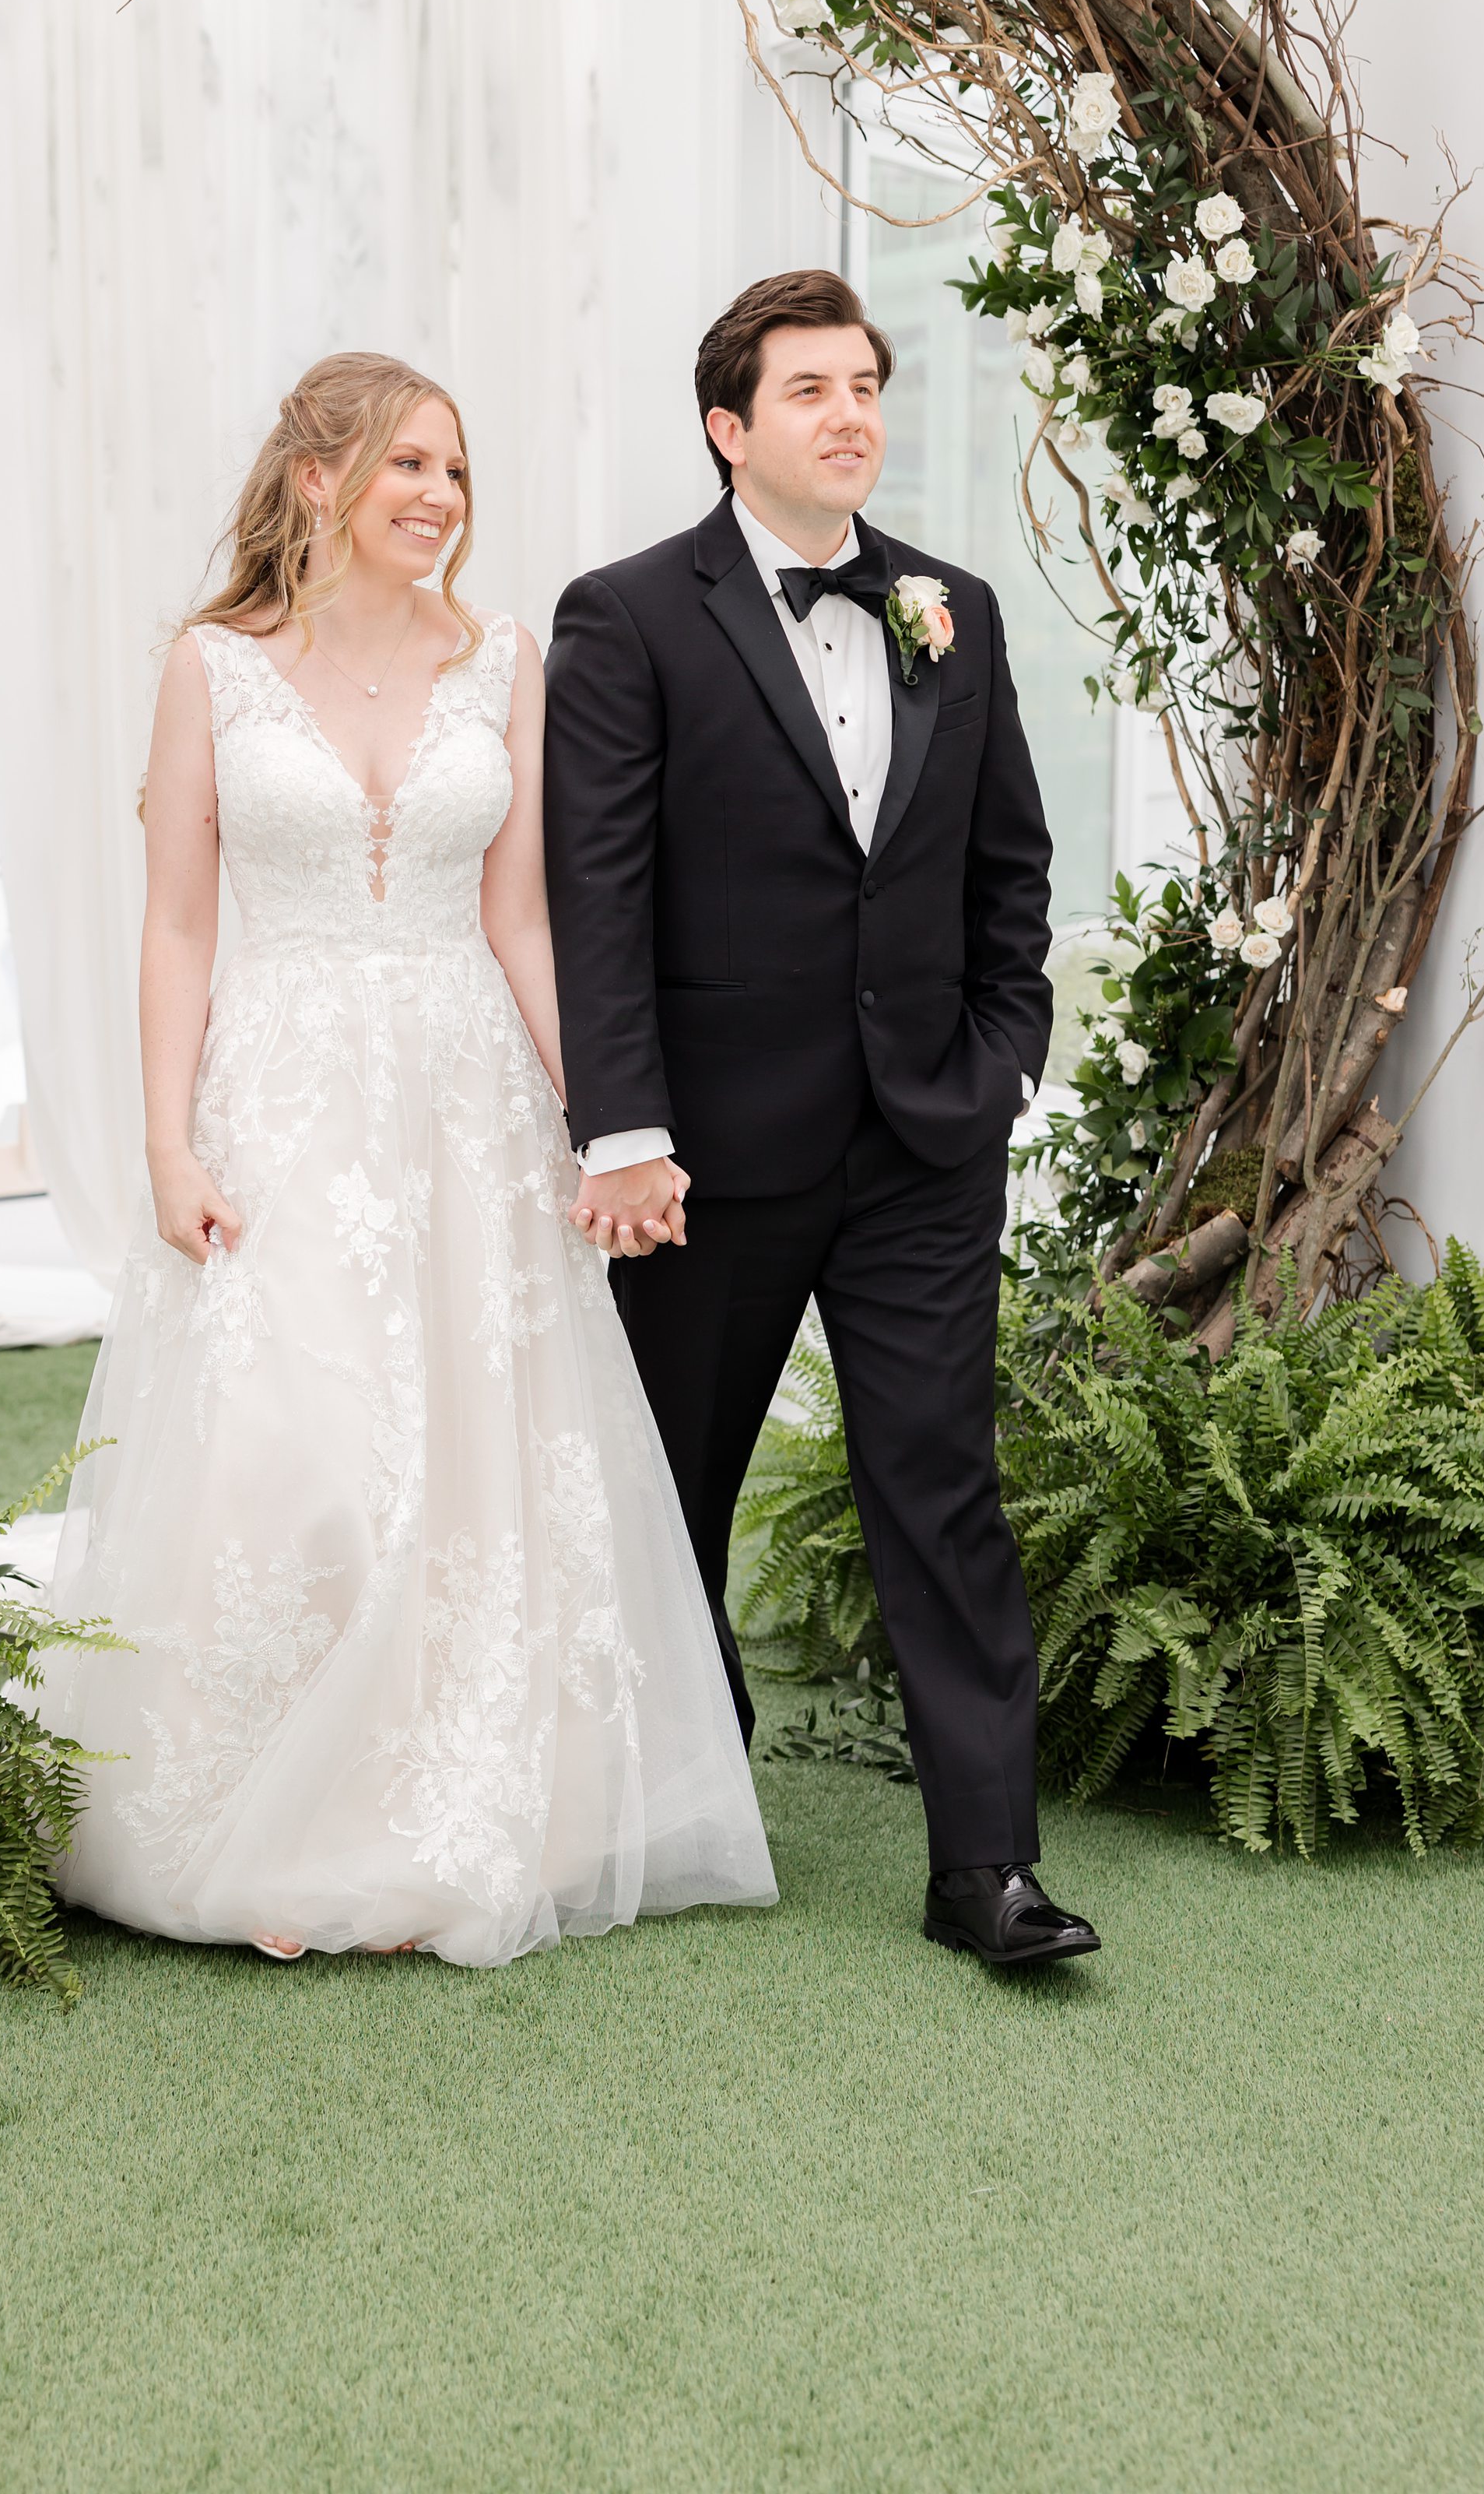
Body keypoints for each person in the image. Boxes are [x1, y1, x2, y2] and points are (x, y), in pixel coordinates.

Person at [43, 352, 776, 1967]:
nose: (439, 497)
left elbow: (525, 918)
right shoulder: (213, 670)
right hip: (283, 1099)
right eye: (406, 467)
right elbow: (175, 927)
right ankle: (259, 1814)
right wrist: (165, 1144)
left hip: (465, 1105)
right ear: (317, 479)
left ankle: (427, 1822)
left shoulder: (502, 660)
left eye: (454, 469)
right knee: (289, 1456)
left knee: (465, 1465)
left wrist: (609, 1125)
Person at [544, 271, 1100, 1971]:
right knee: (676, 1490)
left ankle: (985, 1872)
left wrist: (1003, 1055)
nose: (852, 413)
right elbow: (599, 892)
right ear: (729, 426)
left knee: (941, 1487)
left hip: (924, 1140)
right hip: (707, 1154)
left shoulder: (956, 607)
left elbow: (1011, 864)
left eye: (867, 384)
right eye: (811, 390)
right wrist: (624, 1128)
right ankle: (686, 1808)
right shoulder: (627, 615)